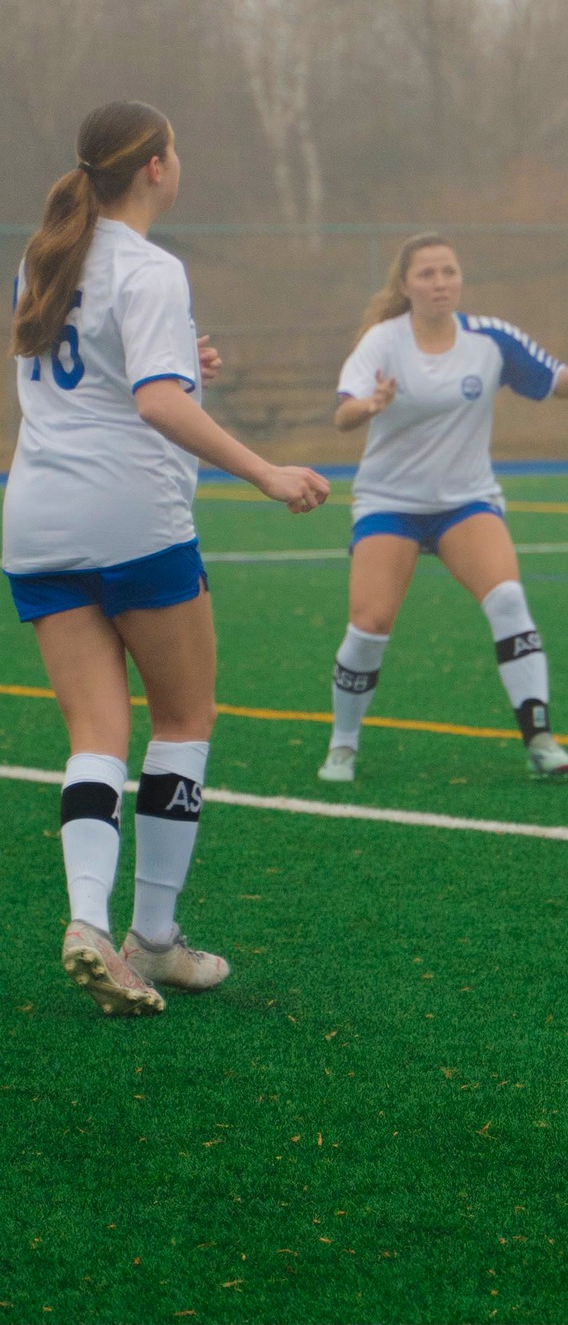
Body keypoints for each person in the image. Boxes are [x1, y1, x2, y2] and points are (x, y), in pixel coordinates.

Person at [5, 101, 330, 1016]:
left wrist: (184, 365)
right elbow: (153, 404)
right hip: (131, 519)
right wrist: (265, 471)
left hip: (35, 519)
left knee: (94, 737)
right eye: (175, 150)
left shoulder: (43, 254)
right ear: (154, 167)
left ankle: (85, 921)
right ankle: (153, 938)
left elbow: (100, 372)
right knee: (183, 720)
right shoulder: (151, 267)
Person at [318, 234, 568, 784]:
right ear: (406, 285)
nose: (440, 283)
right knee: (368, 625)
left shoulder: (490, 339)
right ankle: (343, 745)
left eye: (448, 272)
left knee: (509, 600)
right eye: (427, 274)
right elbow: (342, 415)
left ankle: (540, 737)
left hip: (466, 503)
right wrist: (371, 404)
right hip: (390, 504)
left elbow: (556, 384)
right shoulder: (383, 341)